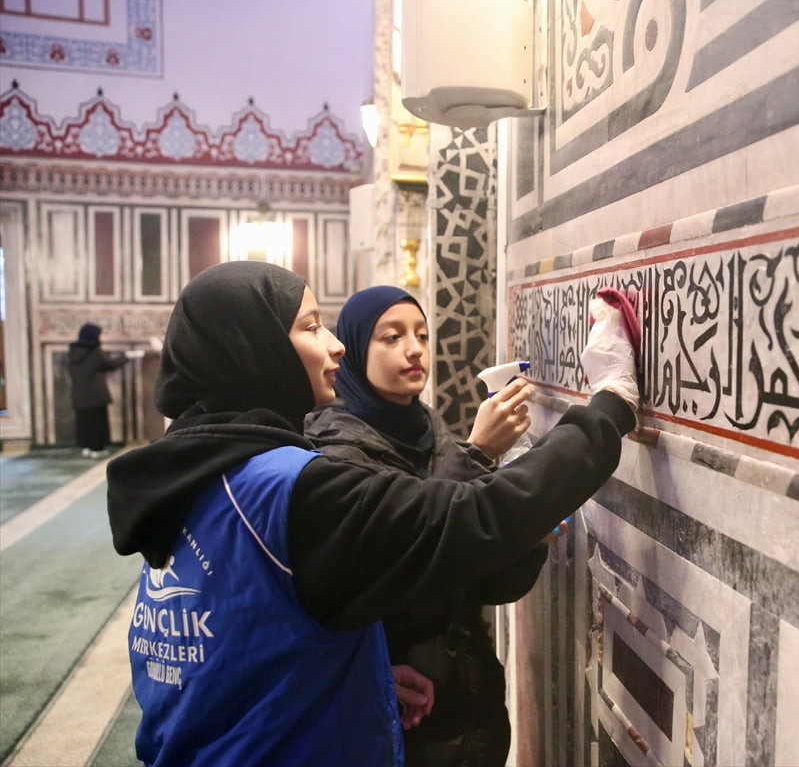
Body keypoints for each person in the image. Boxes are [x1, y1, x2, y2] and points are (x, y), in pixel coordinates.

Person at [105, 261, 639, 767]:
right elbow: (479, 515)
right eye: (311, 327)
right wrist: (610, 403)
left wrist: (361, 673)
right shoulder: (287, 487)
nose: (334, 343)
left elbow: (248, 637)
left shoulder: (194, 473)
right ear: (253, 351)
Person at [305, 286, 544, 766]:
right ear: (355, 351)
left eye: (421, 335)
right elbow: (405, 562)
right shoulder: (333, 454)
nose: (414, 349)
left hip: (472, 697)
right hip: (399, 706)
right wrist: (477, 454)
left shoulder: (434, 434)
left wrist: (525, 526)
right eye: (391, 337)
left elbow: (485, 581)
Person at [67, 323, 144, 458]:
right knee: (96, 423)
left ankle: (86, 447)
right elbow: (109, 364)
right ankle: (96, 448)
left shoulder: (73, 352)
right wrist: (127, 357)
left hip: (79, 395)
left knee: (84, 422)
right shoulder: (94, 352)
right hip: (95, 395)